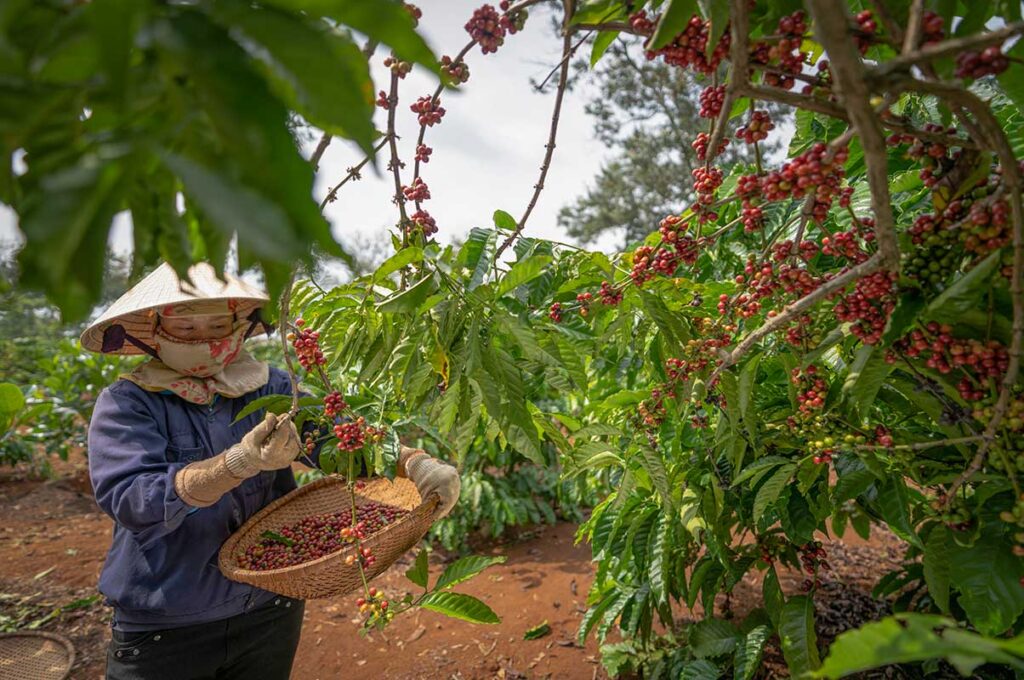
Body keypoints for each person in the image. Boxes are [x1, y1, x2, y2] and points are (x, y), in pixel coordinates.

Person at [81, 262, 460, 680]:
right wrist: (233, 465)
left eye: (218, 325)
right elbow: (132, 498)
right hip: (167, 622)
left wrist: (411, 462)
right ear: (152, 332)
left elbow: (337, 440)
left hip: (269, 607)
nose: (205, 341)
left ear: (239, 327)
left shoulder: (272, 388)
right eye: (186, 330)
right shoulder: (128, 403)